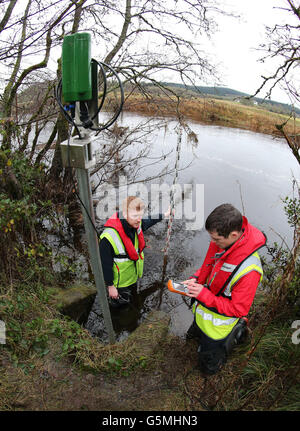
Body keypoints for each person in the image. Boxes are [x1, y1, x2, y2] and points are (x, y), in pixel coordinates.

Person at [182, 203, 266, 375]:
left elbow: (238, 309)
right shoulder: (222, 241)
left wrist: (203, 294)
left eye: (216, 240)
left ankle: (210, 371)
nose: (212, 243)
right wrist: (195, 279)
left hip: (218, 327)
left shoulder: (250, 271)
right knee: (193, 337)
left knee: (209, 363)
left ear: (234, 234)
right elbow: (208, 265)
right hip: (202, 312)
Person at [100, 196, 170, 308]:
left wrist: (165, 215)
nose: (139, 219)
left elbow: (150, 220)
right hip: (119, 283)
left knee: (133, 302)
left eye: (140, 216)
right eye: (135, 216)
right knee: (119, 309)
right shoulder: (108, 237)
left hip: (132, 277)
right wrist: (110, 286)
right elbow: (105, 264)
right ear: (125, 214)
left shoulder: (136, 223)